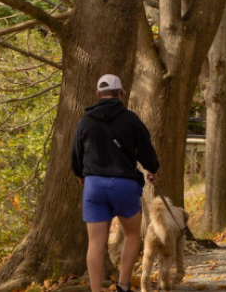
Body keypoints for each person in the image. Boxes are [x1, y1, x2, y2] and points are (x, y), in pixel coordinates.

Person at [71, 74, 160, 292]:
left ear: (97, 94)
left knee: (95, 242)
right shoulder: (130, 119)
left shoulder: (85, 121)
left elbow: (76, 155)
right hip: (124, 184)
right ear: (120, 94)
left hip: (94, 185)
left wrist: (82, 174)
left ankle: (95, 290)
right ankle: (123, 286)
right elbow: (146, 150)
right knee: (131, 234)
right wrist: (152, 169)